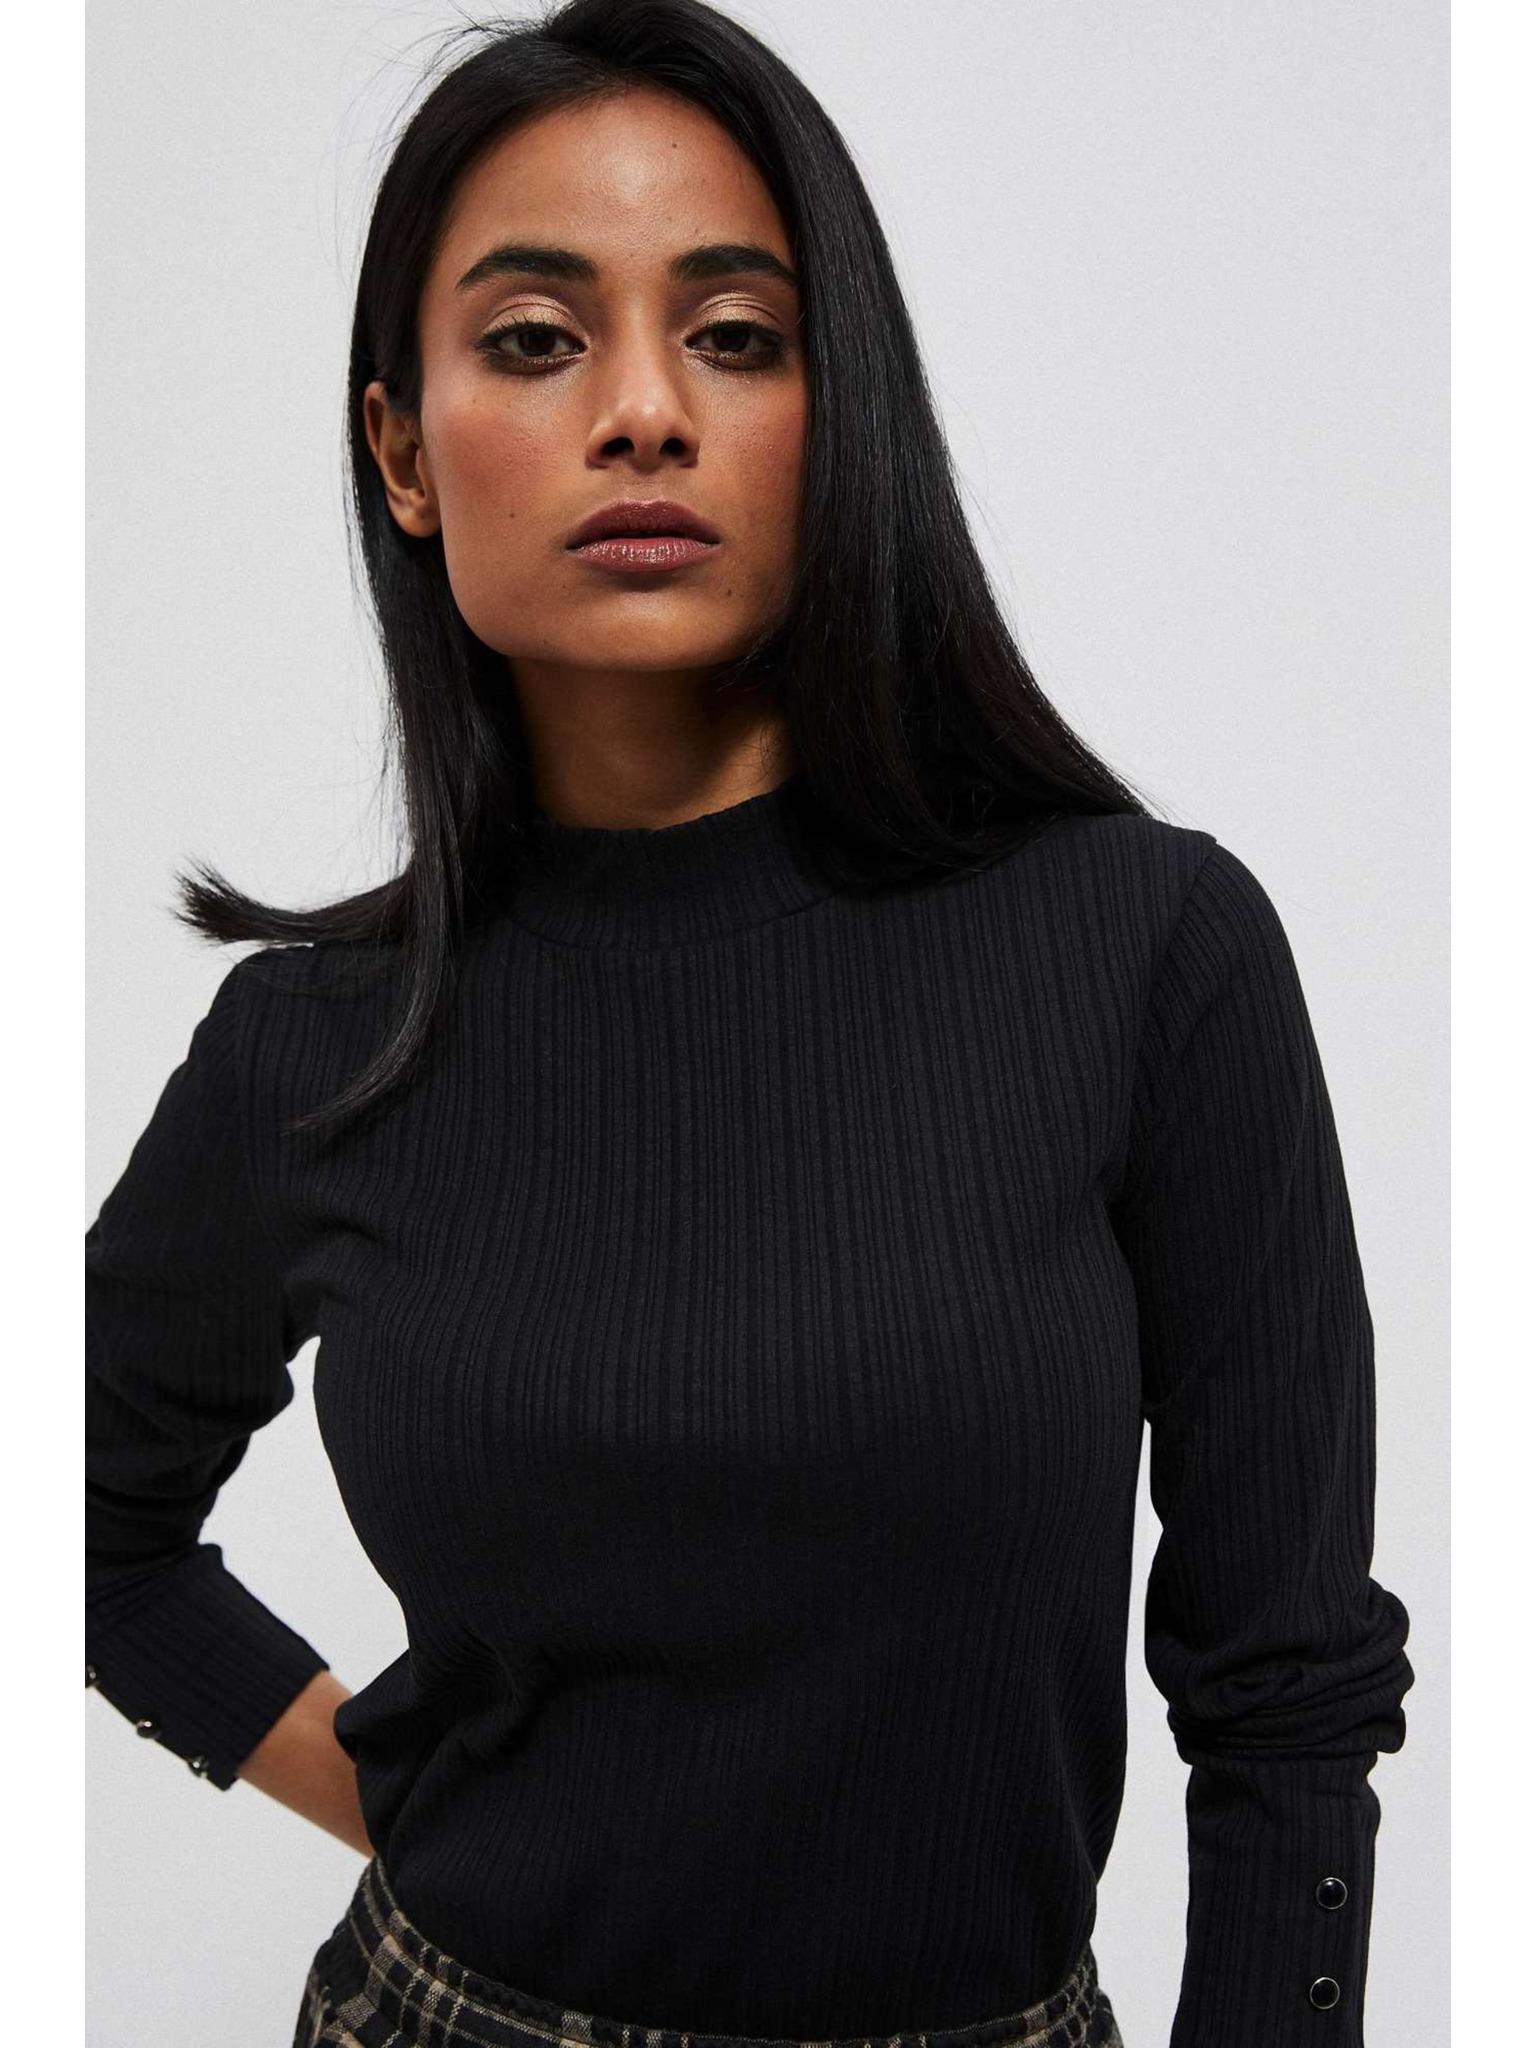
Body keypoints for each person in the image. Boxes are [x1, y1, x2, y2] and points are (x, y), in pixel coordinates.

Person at [84, 3, 1415, 2045]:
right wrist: (404, 1801)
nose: (642, 412)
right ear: (404, 454)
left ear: (841, 408)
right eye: (537, 338)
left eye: (734, 335)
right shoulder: (317, 1044)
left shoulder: (1150, 951)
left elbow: (1289, 1685)